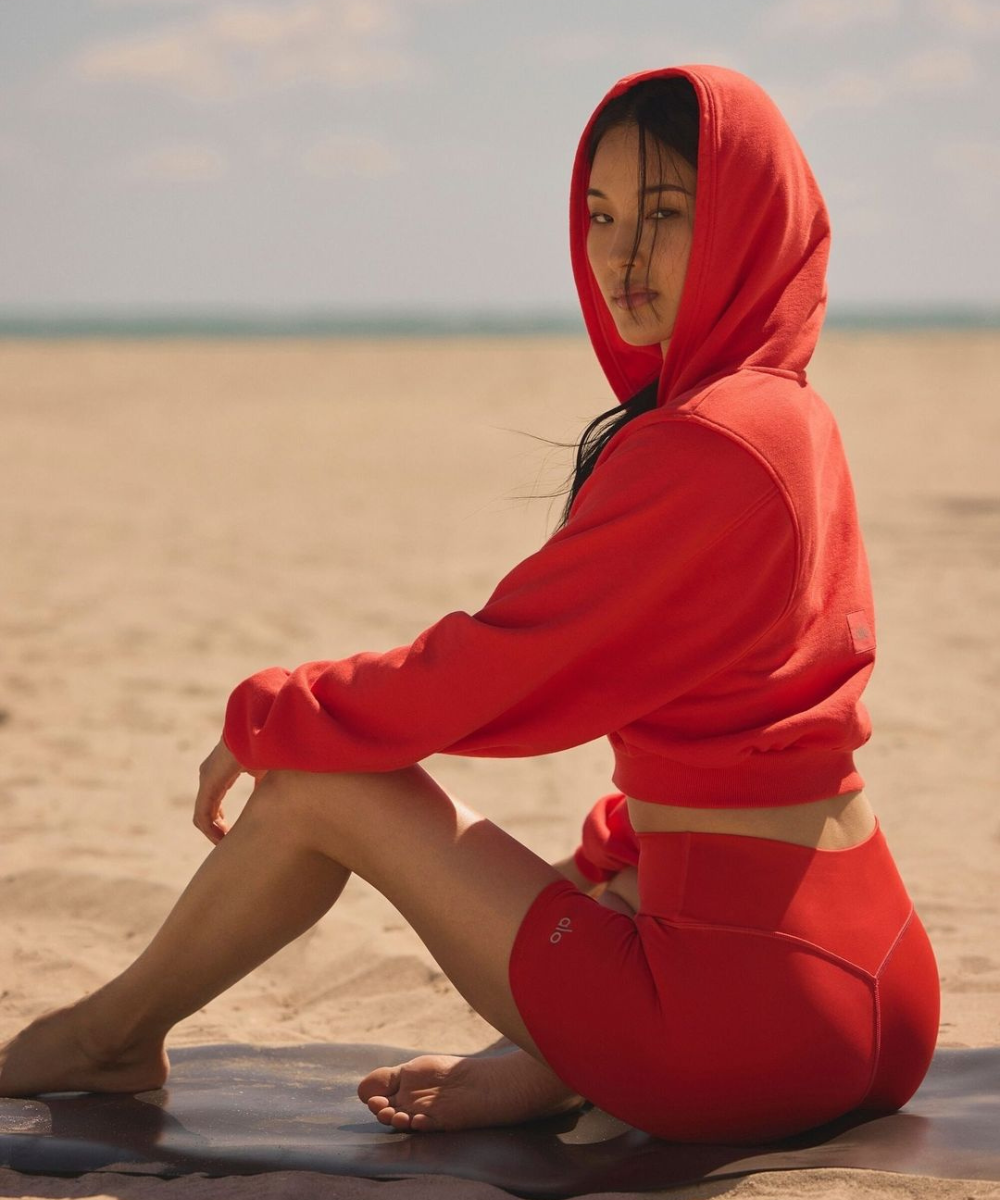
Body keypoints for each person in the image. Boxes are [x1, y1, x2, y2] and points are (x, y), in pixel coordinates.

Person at [0, 64, 940, 1143]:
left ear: (748, 217)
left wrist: (270, 707)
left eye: (668, 212)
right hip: (885, 976)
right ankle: (556, 1058)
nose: (623, 255)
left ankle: (111, 1038)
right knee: (536, 846)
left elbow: (494, 672)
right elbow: (737, 735)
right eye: (600, 215)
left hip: (745, 1020)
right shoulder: (795, 417)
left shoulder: (704, 441)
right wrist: (555, 1019)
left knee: (318, 781)